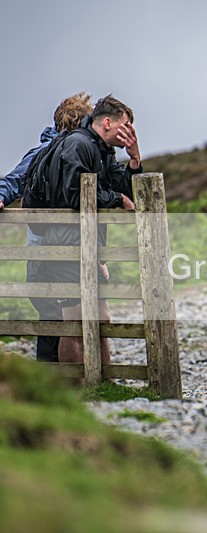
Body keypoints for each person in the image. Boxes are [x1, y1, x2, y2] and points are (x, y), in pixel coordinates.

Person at [41, 95, 141, 367]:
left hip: (89, 246)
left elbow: (120, 187)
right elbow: (75, 193)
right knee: (74, 321)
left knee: (101, 318)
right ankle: (78, 386)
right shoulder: (78, 144)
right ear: (108, 122)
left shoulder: (102, 150)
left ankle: (104, 384)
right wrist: (117, 200)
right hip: (66, 244)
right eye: (126, 126)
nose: (130, 132)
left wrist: (133, 160)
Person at [0, 92, 93, 362]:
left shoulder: (80, 152)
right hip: (44, 245)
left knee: (62, 307)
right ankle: (56, 376)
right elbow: (15, 179)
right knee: (54, 306)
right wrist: (2, 195)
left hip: (63, 244)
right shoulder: (45, 152)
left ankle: (65, 378)